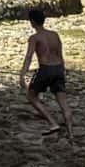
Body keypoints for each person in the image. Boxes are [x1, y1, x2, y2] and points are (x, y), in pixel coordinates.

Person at [21, 8, 72, 138]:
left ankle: (52, 123)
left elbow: (29, 57)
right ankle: (71, 135)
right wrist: (63, 72)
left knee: (31, 96)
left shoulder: (34, 37)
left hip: (46, 69)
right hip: (59, 68)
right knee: (63, 102)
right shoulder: (55, 35)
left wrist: (22, 74)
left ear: (32, 22)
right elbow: (60, 54)